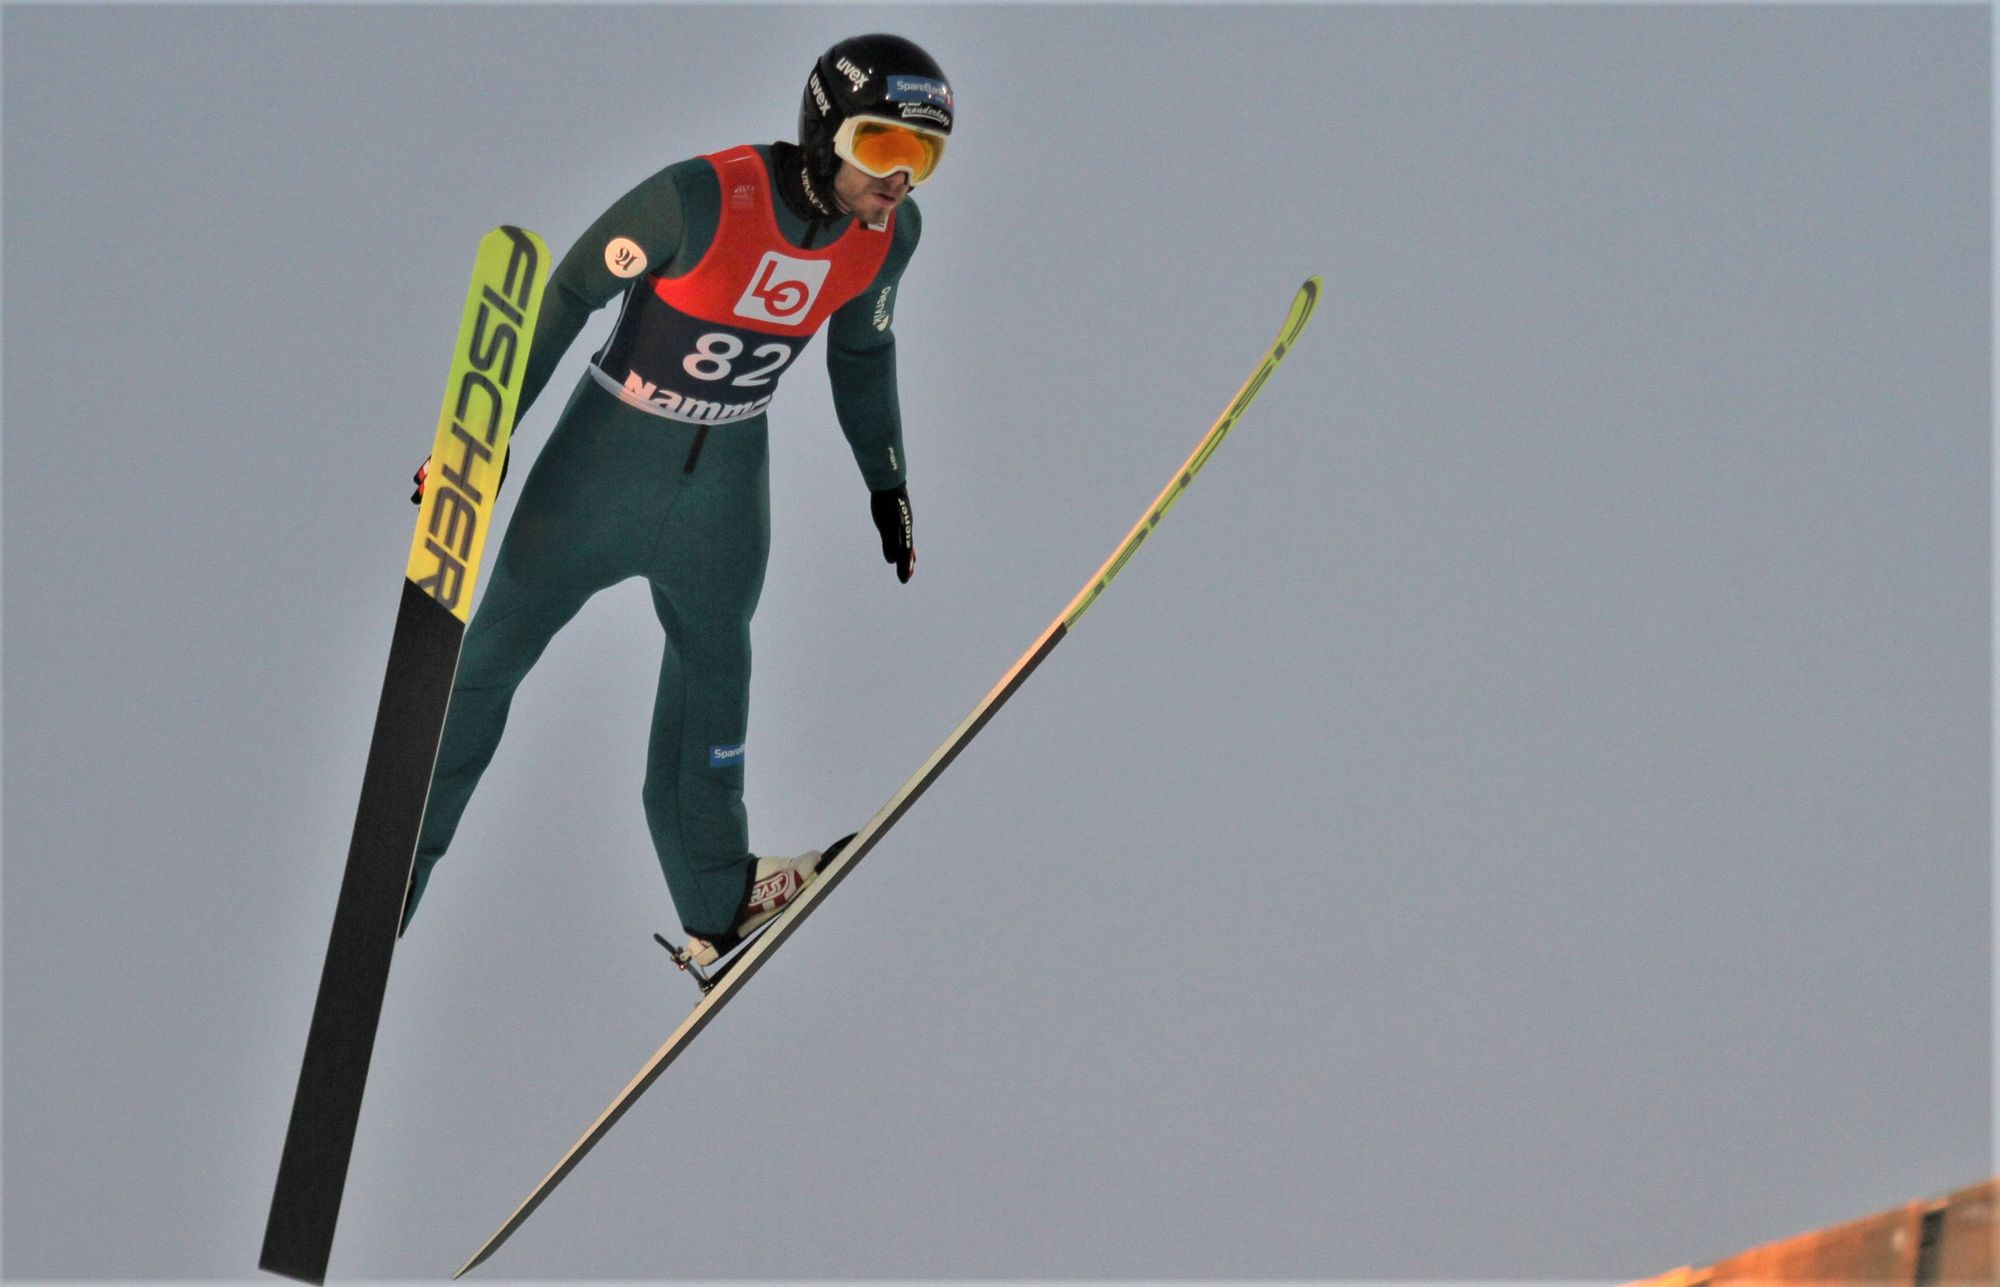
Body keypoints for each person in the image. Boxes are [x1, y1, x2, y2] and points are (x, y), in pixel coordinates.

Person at [400, 33, 952, 966]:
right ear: (826, 132)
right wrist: (479, 440)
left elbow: (863, 355)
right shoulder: (702, 196)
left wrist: (887, 480)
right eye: (884, 148)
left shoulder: (888, 238)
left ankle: (716, 893)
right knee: (487, 664)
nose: (900, 180)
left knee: (716, 677)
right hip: (603, 467)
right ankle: (395, 875)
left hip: (727, 484)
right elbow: (570, 289)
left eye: (924, 158)